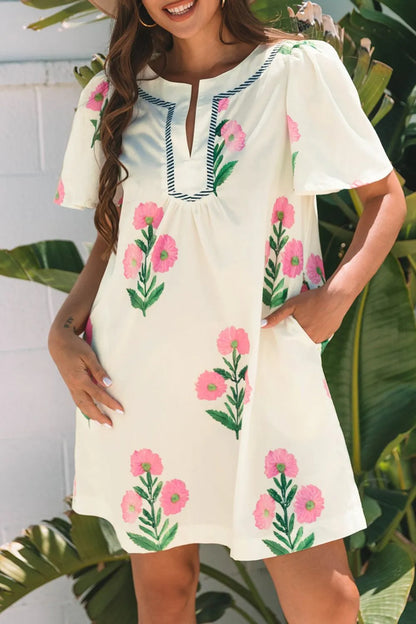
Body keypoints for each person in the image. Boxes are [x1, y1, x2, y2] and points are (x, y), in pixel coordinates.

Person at [48, 1, 406, 622]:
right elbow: (117, 236)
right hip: (141, 377)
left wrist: (336, 297)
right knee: (165, 594)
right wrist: (62, 331)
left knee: (330, 601)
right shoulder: (116, 92)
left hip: (265, 369)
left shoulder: (297, 69)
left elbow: (384, 195)